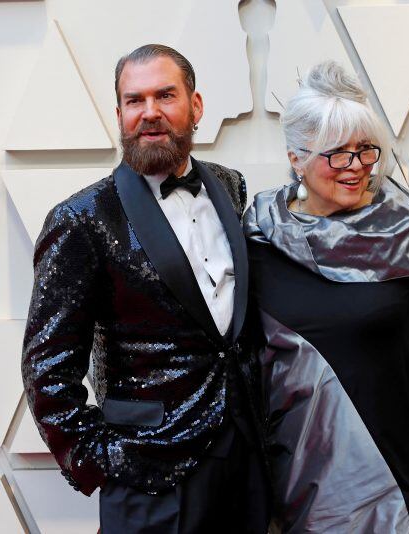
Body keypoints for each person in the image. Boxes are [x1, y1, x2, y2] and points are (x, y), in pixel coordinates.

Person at [22, 44, 270, 533]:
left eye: (165, 96)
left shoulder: (230, 186)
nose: (150, 113)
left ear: (195, 106)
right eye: (135, 101)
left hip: (244, 459)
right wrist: (106, 460)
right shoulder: (81, 219)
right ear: (119, 114)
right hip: (149, 475)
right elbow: (45, 369)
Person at [244, 60, 409, 533]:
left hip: (393, 461)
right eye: (337, 154)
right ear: (296, 157)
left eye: (366, 151)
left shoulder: (402, 225)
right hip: (299, 465)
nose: (357, 167)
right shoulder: (258, 233)